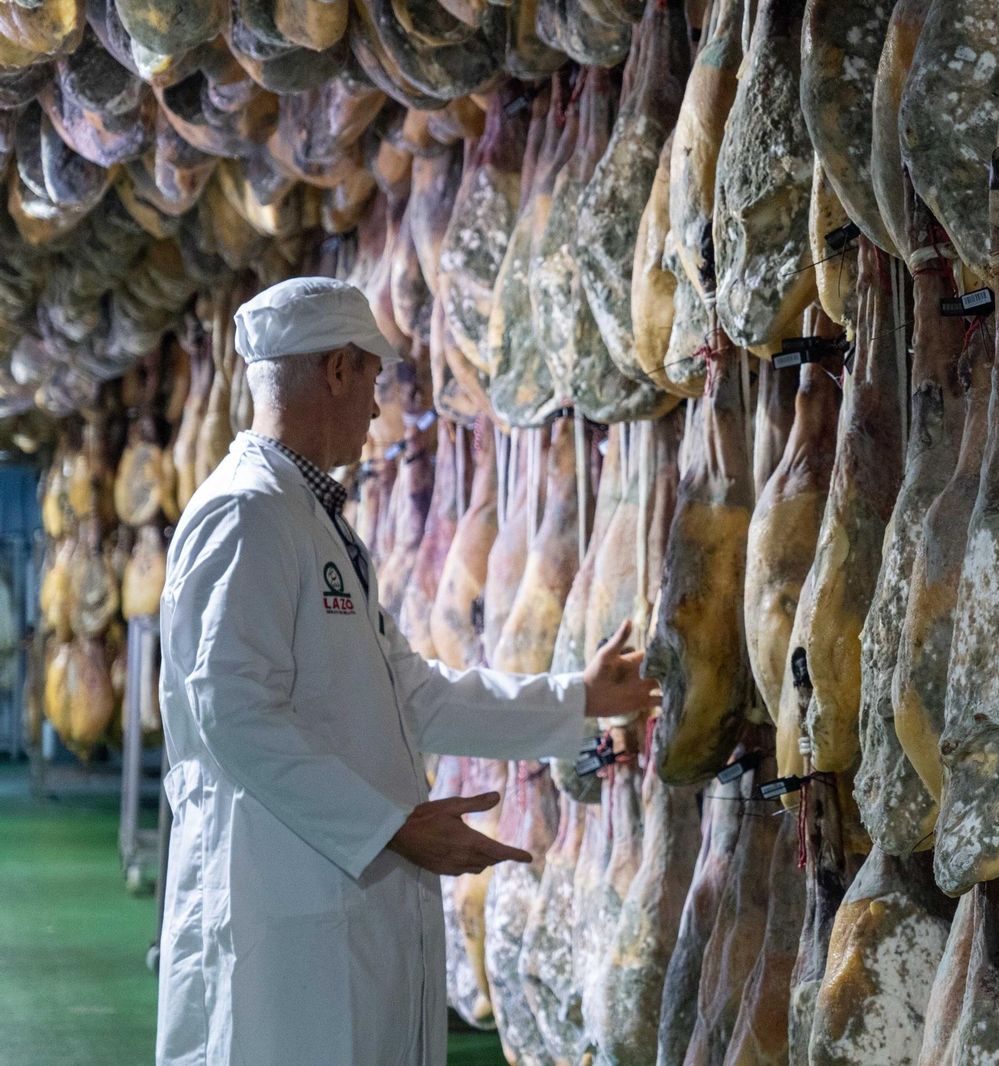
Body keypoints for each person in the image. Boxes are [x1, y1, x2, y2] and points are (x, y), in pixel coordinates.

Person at [154, 277, 655, 1065]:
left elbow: (407, 692)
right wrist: (389, 828)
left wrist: (578, 700)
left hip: (341, 899)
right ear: (338, 371)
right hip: (283, 906)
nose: (379, 410)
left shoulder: (307, 517)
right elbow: (232, 711)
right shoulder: (247, 513)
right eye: (374, 381)